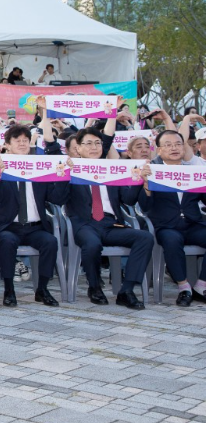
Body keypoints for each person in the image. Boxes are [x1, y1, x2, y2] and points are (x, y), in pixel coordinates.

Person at [66, 128, 153, 309]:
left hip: (111, 223)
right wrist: (63, 176)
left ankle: (126, 290)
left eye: (98, 143)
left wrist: (138, 181)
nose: (94, 147)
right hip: (85, 224)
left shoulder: (113, 170)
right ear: (78, 149)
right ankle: (95, 287)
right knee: (92, 244)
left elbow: (128, 200)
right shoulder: (71, 169)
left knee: (145, 237)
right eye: (88, 143)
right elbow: (56, 199)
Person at [0, 108, 69, 307]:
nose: (23, 143)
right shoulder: (2, 168)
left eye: (26, 139)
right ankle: (9, 289)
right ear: (7, 145)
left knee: (50, 241)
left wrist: (63, 177)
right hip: (9, 226)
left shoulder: (40, 169)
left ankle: (42, 289)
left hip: (35, 226)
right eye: (17, 140)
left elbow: (56, 198)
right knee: (7, 242)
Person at [137, 130, 206, 306]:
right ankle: (184, 288)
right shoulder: (152, 171)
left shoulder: (195, 172)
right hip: (166, 226)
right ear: (159, 150)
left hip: (192, 223)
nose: (174, 148)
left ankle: (201, 286)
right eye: (168, 145)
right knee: (172, 240)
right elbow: (144, 206)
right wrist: (146, 185)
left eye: (177, 144)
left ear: (184, 147)